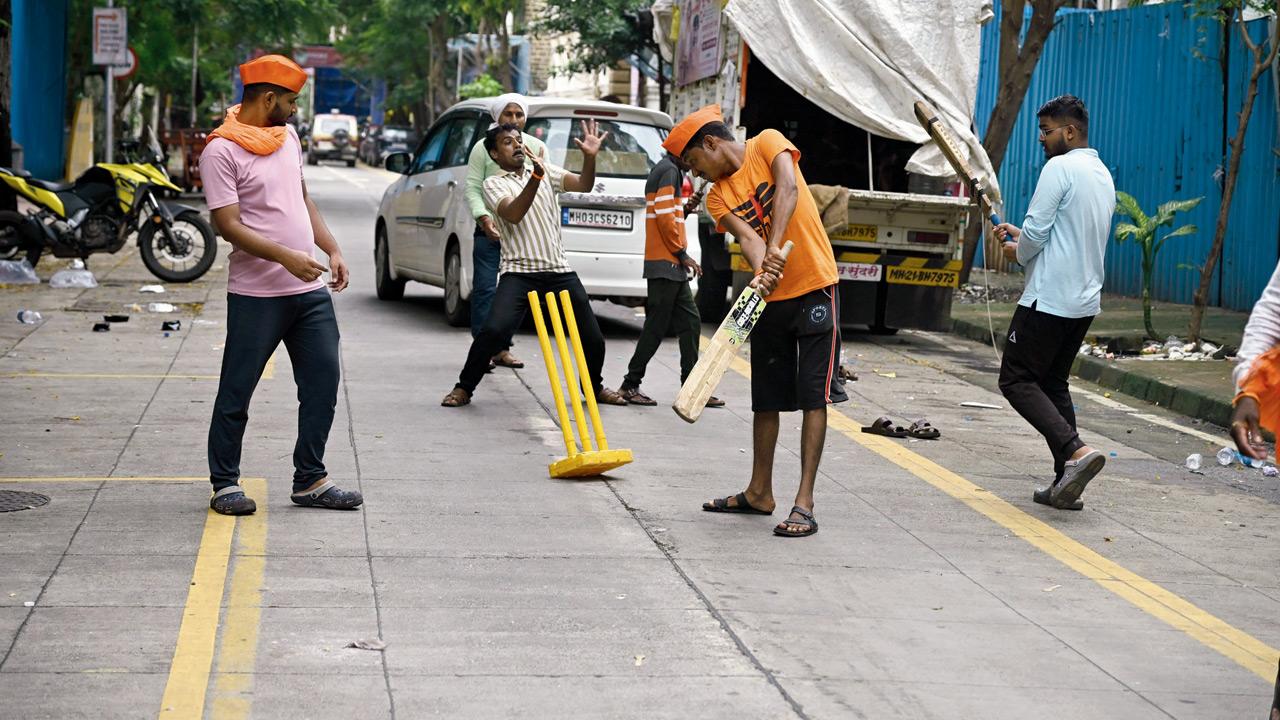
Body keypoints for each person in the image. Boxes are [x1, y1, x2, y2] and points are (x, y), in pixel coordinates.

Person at [674, 105, 847, 538]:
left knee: (813, 397)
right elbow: (748, 237)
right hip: (770, 299)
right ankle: (759, 492)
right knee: (766, 399)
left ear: (711, 143)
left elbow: (788, 188)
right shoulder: (717, 197)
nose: (696, 174)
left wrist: (774, 247)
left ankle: (804, 503)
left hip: (816, 285)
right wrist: (762, 271)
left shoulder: (767, 142)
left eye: (694, 161)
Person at [200, 55, 362, 515]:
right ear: (269, 98)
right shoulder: (221, 151)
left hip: (307, 294)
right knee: (237, 391)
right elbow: (228, 225)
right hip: (256, 296)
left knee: (323, 383)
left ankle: (310, 479)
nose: (295, 110)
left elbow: (301, 197)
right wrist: (286, 257)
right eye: (291, 102)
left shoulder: (287, 138)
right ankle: (225, 483)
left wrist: (331, 248)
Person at [441, 122, 628, 409]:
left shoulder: (545, 171)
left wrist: (590, 158)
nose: (517, 145)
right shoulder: (495, 183)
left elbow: (583, 185)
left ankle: (594, 387)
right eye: (507, 142)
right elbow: (513, 213)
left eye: (519, 140)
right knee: (493, 331)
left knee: (593, 339)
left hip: (558, 270)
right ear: (494, 154)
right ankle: (464, 387)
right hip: (519, 272)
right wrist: (536, 178)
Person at [992, 95, 1114, 511]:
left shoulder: (1059, 168)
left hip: (1047, 299)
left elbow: (1036, 234)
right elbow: (1061, 231)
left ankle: (1075, 451)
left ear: (1070, 132)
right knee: (1053, 384)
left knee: (1016, 380)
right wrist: (1023, 237)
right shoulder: (1100, 173)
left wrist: (1018, 250)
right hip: (1083, 301)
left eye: (1046, 131)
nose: (1041, 139)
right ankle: (1066, 481)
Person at [612, 150, 723, 408]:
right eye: (691, 157)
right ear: (680, 152)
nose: (693, 163)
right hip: (666, 263)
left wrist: (686, 209)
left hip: (669, 264)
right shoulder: (669, 171)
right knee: (656, 326)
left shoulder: (668, 170)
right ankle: (629, 385)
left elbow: (669, 216)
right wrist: (682, 254)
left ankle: (690, 387)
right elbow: (664, 220)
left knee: (690, 322)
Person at [464, 94, 547, 371]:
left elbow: (546, 187)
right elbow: (473, 188)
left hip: (522, 236)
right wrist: (484, 218)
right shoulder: (482, 148)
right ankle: (482, 351)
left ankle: (502, 349)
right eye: (508, 114)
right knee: (486, 289)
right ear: (497, 116)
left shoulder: (536, 147)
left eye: (518, 114)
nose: (514, 119)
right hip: (488, 232)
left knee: (518, 294)